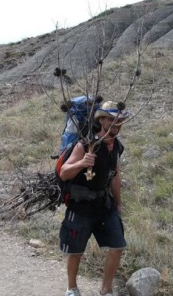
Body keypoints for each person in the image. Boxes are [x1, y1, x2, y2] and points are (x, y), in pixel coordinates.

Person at [58, 101, 130, 296]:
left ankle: (106, 290)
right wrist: (82, 163)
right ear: (102, 120)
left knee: (117, 245)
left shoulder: (116, 147)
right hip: (81, 206)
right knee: (76, 250)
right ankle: (71, 288)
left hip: (104, 205)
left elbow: (114, 175)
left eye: (120, 121)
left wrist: (118, 202)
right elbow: (64, 173)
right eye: (112, 120)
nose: (117, 124)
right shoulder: (85, 145)